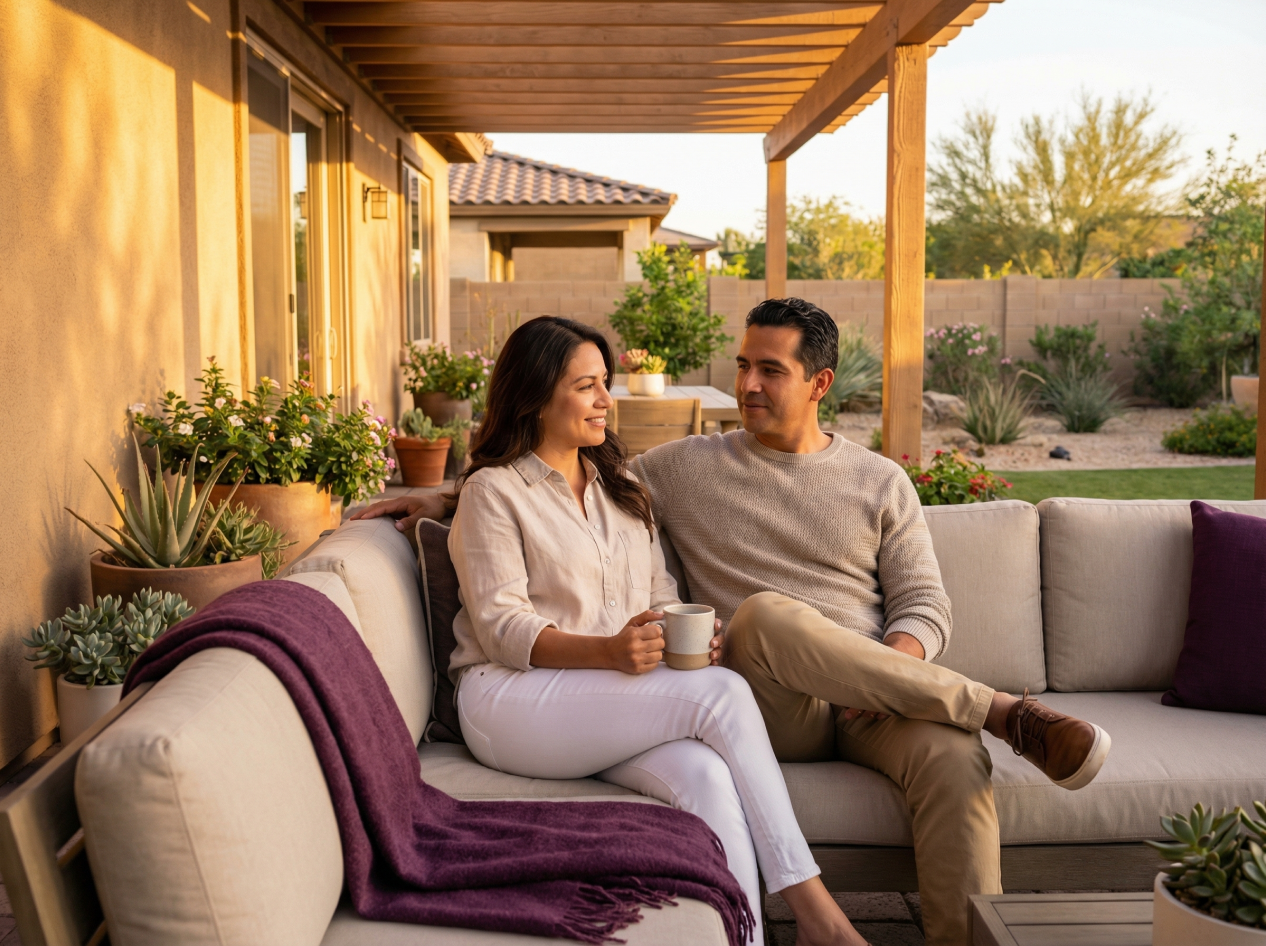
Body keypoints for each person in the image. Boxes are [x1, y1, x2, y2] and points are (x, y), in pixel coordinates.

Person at [354, 300, 1112, 946]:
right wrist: (440, 498)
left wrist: (894, 665)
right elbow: (532, 485)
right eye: (743, 364)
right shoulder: (681, 467)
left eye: (769, 371)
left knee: (954, 760)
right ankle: (1000, 712)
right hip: (767, 696)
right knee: (766, 618)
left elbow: (923, 604)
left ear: (820, 384)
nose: (746, 384)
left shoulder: (880, 480)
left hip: (872, 692)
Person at [384, 315, 870, 946]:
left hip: (600, 699)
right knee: (722, 694)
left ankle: (746, 937)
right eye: (587, 386)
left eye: (604, 383)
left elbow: (659, 594)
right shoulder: (493, 492)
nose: (606, 401)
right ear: (535, 396)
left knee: (704, 775)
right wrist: (611, 651)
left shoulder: (622, 486)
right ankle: (819, 917)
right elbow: (503, 628)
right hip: (508, 697)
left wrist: (684, 634)